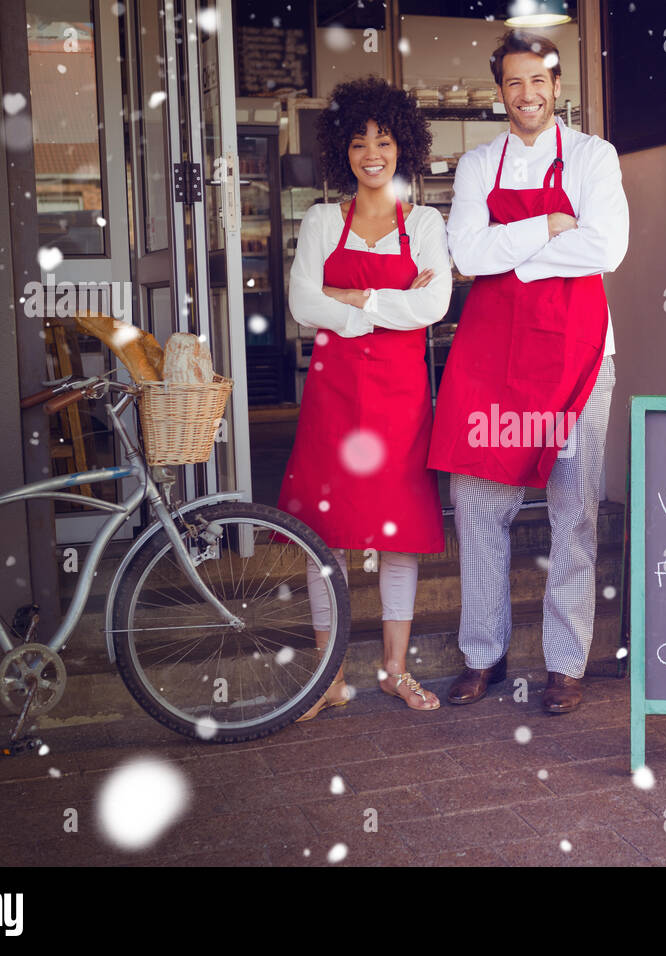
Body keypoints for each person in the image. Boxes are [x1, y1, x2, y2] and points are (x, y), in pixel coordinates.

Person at [428, 30, 628, 714]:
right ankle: (482, 654)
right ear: (500, 92)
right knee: (479, 508)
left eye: (537, 80)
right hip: (496, 360)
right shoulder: (480, 164)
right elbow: (465, 252)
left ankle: (565, 666)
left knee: (574, 509)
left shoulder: (595, 157)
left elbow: (608, 247)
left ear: (556, 84)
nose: (527, 93)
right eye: (513, 82)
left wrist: (511, 255)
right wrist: (548, 224)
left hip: (578, 355)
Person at [278, 76, 452, 718]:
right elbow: (302, 303)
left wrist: (354, 301)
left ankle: (393, 671)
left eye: (382, 139)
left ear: (402, 145)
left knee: (398, 534)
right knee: (328, 535)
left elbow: (434, 304)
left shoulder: (427, 221)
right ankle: (328, 678)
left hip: (401, 398)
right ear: (341, 152)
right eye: (358, 142)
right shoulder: (324, 219)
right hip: (335, 395)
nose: (371, 153)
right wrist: (386, 307)